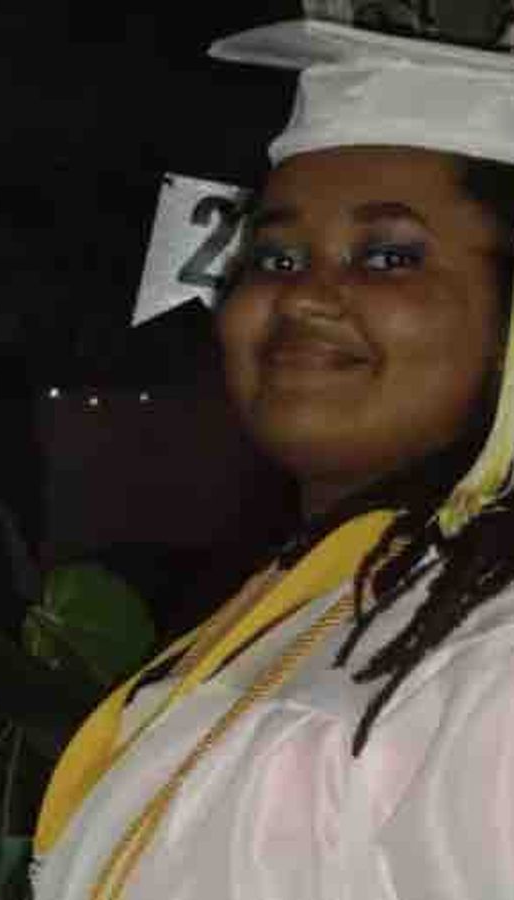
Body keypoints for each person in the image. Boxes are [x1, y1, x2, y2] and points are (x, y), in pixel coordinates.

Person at [31, 18, 514, 900]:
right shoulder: (316, 599)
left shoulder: (495, 656)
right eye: (274, 256)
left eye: (389, 256)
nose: (305, 296)